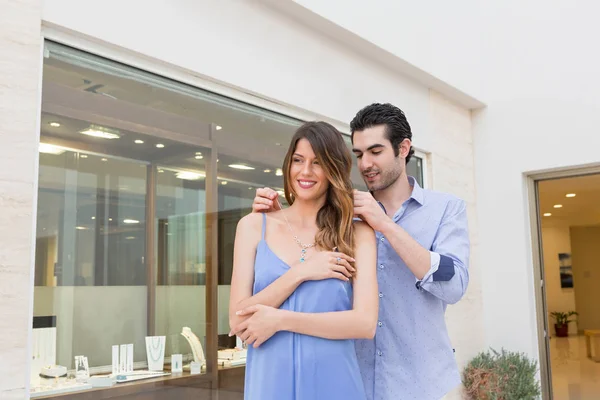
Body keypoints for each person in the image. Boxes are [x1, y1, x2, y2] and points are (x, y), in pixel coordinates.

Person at [251, 103, 470, 400]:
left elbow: (454, 286)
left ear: (403, 148)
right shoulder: (342, 214)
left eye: (376, 152)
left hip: (424, 384)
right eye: (359, 154)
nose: (365, 163)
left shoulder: (445, 209)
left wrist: (386, 226)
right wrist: (283, 220)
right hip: (352, 381)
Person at [228, 121, 379, 400]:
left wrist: (281, 320)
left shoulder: (356, 233)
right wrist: (301, 273)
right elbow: (238, 320)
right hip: (269, 387)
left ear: (333, 169)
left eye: (318, 162)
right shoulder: (252, 226)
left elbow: (365, 323)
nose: (305, 171)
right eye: (298, 160)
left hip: (336, 386)